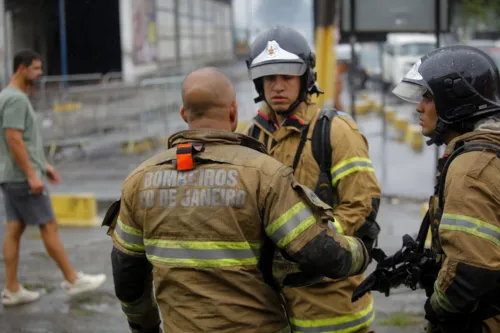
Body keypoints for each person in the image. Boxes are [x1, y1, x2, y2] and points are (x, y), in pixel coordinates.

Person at [106, 67, 371, 333]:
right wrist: (362, 252)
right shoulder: (264, 175)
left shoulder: (138, 182)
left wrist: (146, 328)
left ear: (184, 114)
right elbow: (320, 252)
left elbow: (127, 275)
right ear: (233, 112)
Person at [242, 26, 381, 333]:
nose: (277, 86)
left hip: (332, 307)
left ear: (304, 78)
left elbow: (362, 206)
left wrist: (313, 244)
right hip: (267, 307)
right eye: (269, 78)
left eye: (287, 77)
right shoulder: (246, 137)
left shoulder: (335, 131)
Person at [392, 44, 500, 332]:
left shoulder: (470, 169)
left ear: (455, 100)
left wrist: (436, 308)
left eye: (428, 96)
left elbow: (469, 270)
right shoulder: (485, 154)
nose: (418, 106)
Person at [0, 49, 106, 307]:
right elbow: (13, 138)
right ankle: (72, 279)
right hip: (22, 178)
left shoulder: (8, 96)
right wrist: (32, 175)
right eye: (35, 69)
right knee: (49, 226)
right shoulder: (16, 100)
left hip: (12, 175)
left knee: (14, 229)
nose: (39, 74)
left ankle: (12, 289)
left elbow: (22, 140)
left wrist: (43, 165)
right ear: (22, 69)